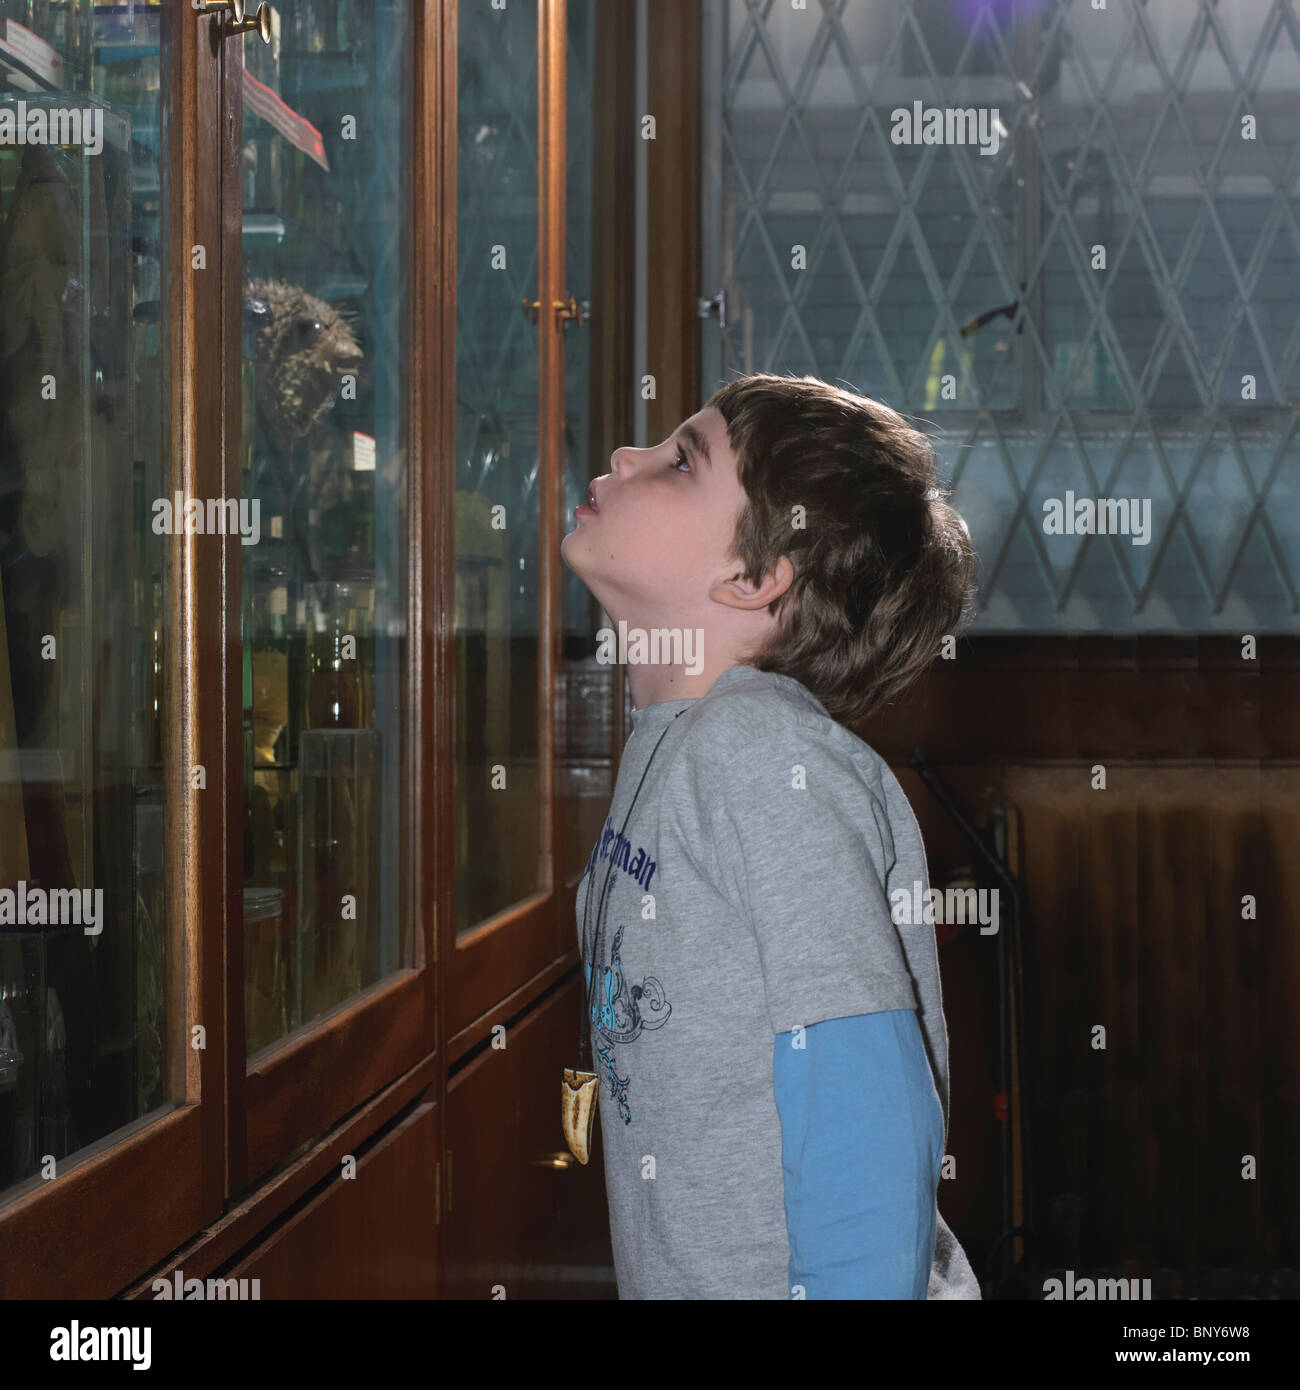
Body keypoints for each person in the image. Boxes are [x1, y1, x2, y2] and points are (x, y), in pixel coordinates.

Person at [560, 372, 981, 1300]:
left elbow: (865, 1116)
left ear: (752, 579)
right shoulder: (682, 744)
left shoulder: (760, 753)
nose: (629, 457)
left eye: (679, 461)